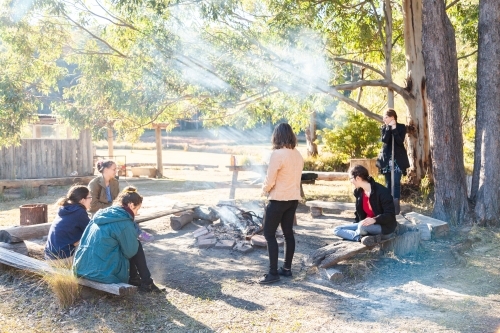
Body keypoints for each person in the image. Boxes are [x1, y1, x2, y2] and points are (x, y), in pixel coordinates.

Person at [73, 186, 163, 293]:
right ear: (130, 205)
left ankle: (135, 279)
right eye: (137, 209)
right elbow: (131, 252)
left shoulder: (102, 215)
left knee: (127, 243)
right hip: (102, 274)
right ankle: (147, 283)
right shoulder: (124, 221)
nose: (137, 213)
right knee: (135, 245)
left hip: (82, 269)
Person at [259, 123, 304, 284]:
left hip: (278, 199)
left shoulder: (277, 154)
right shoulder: (297, 154)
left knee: (269, 234)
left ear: (276, 136)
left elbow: (270, 180)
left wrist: (264, 190)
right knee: (288, 233)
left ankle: (272, 273)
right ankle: (286, 269)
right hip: (292, 199)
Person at [89, 160, 153, 242]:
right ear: (106, 169)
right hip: (98, 213)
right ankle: (137, 234)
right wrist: (113, 207)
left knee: (126, 214)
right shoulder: (94, 183)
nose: (116, 171)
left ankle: (137, 234)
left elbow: (118, 199)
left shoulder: (115, 182)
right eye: (114, 169)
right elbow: (92, 205)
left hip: (113, 210)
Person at [333, 165, 397, 246]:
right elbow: (358, 212)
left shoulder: (382, 192)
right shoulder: (358, 192)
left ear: (358, 178)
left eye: (351, 178)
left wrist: (374, 220)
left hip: (382, 226)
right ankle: (360, 238)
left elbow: (390, 215)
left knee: (361, 227)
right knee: (337, 229)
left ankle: (357, 234)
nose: (350, 181)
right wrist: (355, 224)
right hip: (364, 223)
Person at [375, 108, 410, 215]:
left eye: (386, 117)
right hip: (386, 160)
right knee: (388, 184)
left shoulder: (401, 127)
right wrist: (388, 128)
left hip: (397, 160)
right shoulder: (384, 127)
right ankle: (388, 207)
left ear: (392, 117)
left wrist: (394, 128)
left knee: (396, 183)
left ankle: (396, 208)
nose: (384, 119)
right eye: (384, 117)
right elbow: (385, 140)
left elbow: (399, 141)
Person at [44, 185, 91, 261]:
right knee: (93, 243)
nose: (91, 200)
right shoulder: (79, 212)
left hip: (49, 257)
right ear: (83, 200)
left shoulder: (65, 208)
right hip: (62, 259)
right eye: (89, 197)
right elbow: (92, 232)